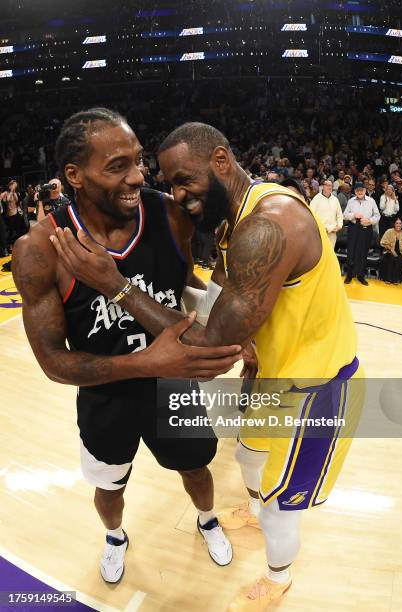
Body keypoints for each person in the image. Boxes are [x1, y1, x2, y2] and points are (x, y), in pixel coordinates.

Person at [52, 121, 363, 611]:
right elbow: (215, 302)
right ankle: (256, 506)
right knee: (247, 459)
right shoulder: (232, 218)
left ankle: (277, 577)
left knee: (282, 509)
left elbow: (206, 345)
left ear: (220, 161)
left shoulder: (268, 225)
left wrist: (116, 284)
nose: (176, 196)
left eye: (184, 180)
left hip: (317, 387)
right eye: (169, 183)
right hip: (271, 372)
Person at [12, 109, 243, 585]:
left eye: (138, 161)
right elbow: (54, 362)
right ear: (74, 175)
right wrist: (145, 362)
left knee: (197, 467)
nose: (137, 176)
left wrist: (225, 328)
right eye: (117, 165)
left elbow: (185, 284)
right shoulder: (39, 249)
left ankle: (206, 519)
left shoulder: (171, 215)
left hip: (173, 389)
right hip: (106, 396)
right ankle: (115, 536)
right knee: (109, 484)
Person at [343, 181, 380, 285]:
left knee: (363, 253)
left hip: (366, 228)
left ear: (365, 190)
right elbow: (345, 215)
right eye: (357, 190)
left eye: (362, 190)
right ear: (355, 191)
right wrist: (353, 215)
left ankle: (361, 276)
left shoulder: (371, 201)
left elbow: (377, 216)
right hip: (353, 228)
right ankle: (349, 275)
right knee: (351, 252)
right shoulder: (351, 201)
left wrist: (370, 221)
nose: (360, 192)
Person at [310, 179, 343, 247]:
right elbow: (311, 216)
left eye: (331, 185)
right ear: (323, 186)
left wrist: (339, 226)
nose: (329, 187)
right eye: (327, 185)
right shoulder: (316, 199)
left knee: (330, 254)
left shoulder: (335, 200)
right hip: (320, 232)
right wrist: (323, 228)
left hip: (333, 232)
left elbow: (339, 215)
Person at [379, 218, 402, 284]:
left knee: (400, 259)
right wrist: (390, 248)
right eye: (397, 223)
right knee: (391, 258)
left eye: (400, 223)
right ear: (394, 224)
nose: (398, 225)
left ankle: (396, 279)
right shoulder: (389, 231)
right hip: (389, 252)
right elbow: (382, 242)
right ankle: (388, 279)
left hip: (400, 253)